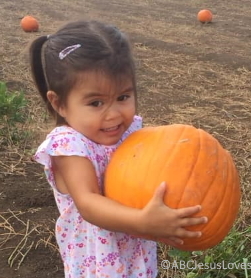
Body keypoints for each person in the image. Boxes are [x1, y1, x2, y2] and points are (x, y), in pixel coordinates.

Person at [30, 20, 208, 278]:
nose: (113, 114)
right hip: (99, 263)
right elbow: (88, 203)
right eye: (96, 102)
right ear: (59, 104)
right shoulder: (70, 145)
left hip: (135, 251)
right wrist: (144, 222)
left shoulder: (130, 132)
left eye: (123, 97)